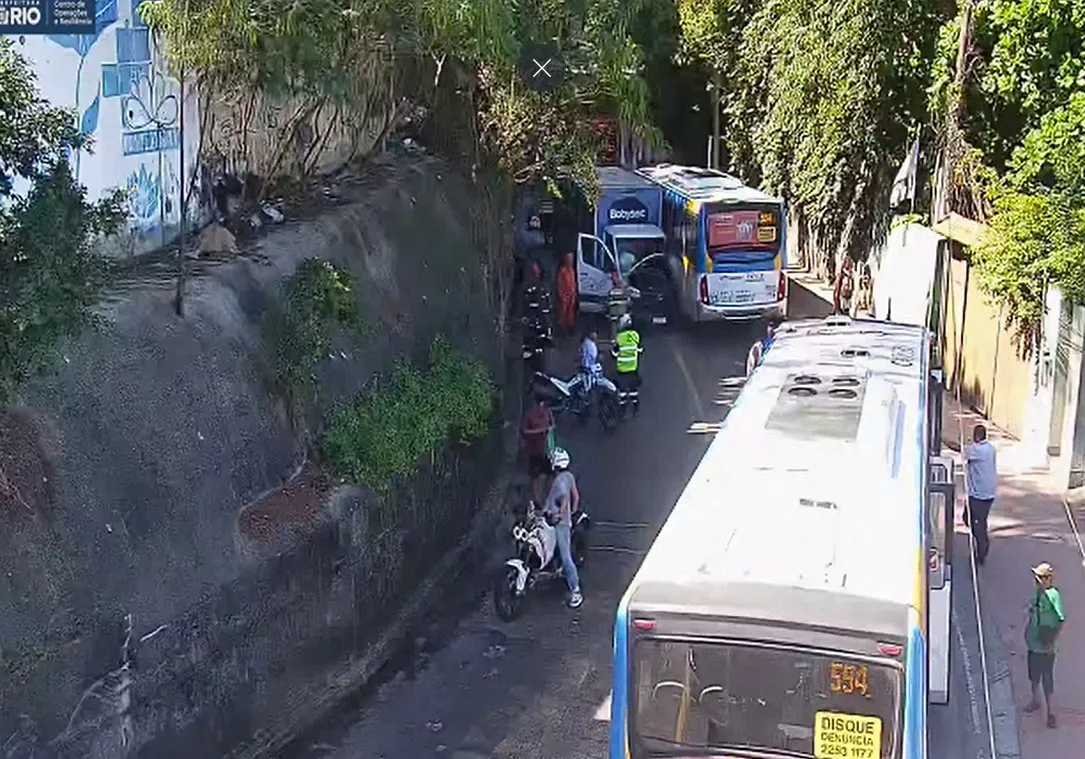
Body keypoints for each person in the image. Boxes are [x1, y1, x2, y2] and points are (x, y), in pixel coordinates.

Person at [1024, 562, 1066, 728]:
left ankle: (1051, 713)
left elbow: (1062, 618)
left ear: (1046, 579)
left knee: (1047, 679)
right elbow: (1032, 610)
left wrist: (1053, 641)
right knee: (1033, 676)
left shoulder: (1054, 595)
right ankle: (1035, 700)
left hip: (1047, 646)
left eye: (1039, 577)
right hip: (1033, 643)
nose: (1035, 579)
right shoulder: (1037, 593)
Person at [542, 447, 582, 608]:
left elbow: (564, 498)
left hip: (558, 523)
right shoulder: (569, 476)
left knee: (566, 558)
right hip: (565, 520)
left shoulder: (559, 481)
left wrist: (559, 515)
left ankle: (576, 591)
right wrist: (572, 512)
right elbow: (576, 497)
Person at [963, 423, 997, 565]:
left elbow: (961, 452)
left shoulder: (977, 451)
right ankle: (981, 542)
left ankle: (982, 547)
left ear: (976, 436)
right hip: (988, 492)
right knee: (973, 518)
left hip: (978, 494)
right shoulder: (991, 449)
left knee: (975, 521)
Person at [521, 392, 555, 505]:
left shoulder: (547, 411)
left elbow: (552, 424)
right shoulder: (529, 415)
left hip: (546, 449)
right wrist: (540, 431)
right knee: (534, 476)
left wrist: (550, 429)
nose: (541, 406)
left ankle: (547, 496)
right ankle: (536, 500)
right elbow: (524, 431)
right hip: (534, 449)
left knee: (550, 473)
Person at [612, 313, 643, 414]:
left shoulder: (619, 337)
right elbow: (640, 349)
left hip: (622, 368)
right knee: (633, 389)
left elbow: (614, 353)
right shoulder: (635, 336)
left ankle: (623, 409)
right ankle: (635, 406)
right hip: (633, 367)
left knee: (622, 391)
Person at [557, 252, 578, 335]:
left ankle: (570, 328)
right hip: (564, 296)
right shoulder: (562, 271)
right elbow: (560, 284)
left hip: (571, 295)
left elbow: (573, 283)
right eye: (569, 259)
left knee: (570, 314)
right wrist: (561, 295)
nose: (571, 261)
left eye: (571, 259)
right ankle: (561, 330)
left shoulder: (572, 270)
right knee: (562, 313)